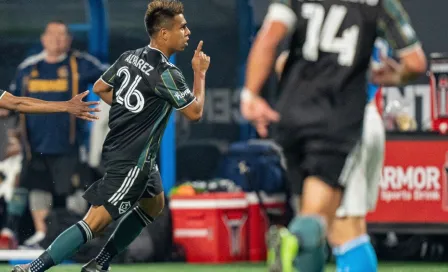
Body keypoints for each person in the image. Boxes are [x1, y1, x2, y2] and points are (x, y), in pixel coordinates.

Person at [12, 0, 210, 271]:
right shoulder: (168, 73)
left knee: (154, 204)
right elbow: (195, 113)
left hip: (128, 154)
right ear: (164, 33)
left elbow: (100, 87)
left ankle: (100, 263)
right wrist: (199, 73)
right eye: (182, 27)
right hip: (133, 162)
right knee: (93, 223)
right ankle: (32, 268)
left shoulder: (129, 57)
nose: (188, 32)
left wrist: (131, 107)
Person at [240, 0, 427, 271]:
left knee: (329, 225)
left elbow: (271, 44)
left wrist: (250, 94)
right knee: (338, 228)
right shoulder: (378, 5)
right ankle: (294, 242)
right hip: (347, 119)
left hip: (295, 116)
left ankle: (294, 241)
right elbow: (415, 62)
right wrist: (395, 77)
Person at [0, 20, 108, 249]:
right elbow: (13, 103)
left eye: (62, 35)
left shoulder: (80, 63)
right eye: (52, 34)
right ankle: (41, 234)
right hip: (34, 145)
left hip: (68, 145)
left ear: (69, 39)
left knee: (75, 190)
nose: (57, 40)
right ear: (43, 39)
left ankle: (75, 236)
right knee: (35, 187)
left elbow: (108, 80)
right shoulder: (29, 68)